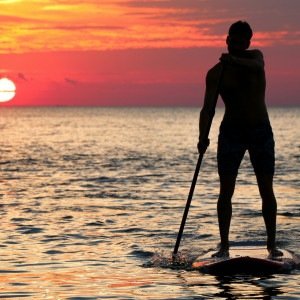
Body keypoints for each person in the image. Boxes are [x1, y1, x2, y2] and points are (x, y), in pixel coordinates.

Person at [198, 21, 282, 258]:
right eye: (231, 41)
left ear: (247, 43)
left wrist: (233, 61)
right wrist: (202, 137)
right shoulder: (216, 74)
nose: (234, 46)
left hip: (260, 131)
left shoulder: (256, 58)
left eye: (239, 42)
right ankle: (224, 245)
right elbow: (207, 110)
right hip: (231, 132)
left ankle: (272, 246)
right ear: (226, 40)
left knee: (266, 189)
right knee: (226, 191)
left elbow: (256, 65)